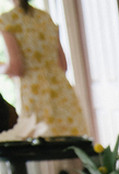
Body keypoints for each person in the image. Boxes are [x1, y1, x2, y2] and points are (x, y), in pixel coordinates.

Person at [0, 0, 87, 136]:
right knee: (72, 139)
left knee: (42, 141)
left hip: (34, 91)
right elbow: (63, 64)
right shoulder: (45, 17)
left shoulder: (8, 20)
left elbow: (17, 67)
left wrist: (2, 68)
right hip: (61, 88)